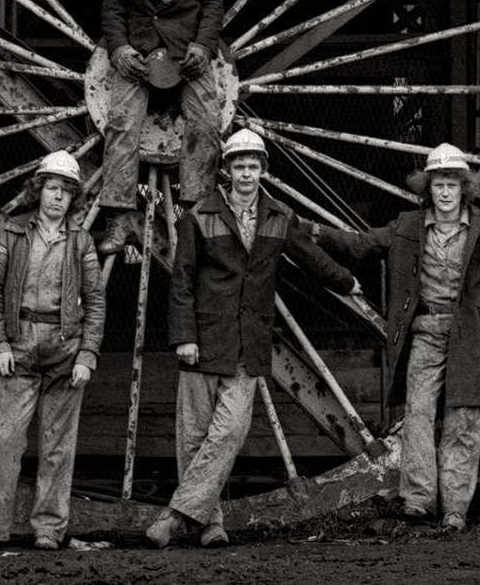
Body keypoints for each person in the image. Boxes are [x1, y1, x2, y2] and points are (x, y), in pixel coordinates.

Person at [146, 129, 362, 548]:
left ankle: (175, 516)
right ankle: (211, 524)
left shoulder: (278, 217)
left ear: (263, 170)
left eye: (253, 166)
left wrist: (347, 281)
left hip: (249, 341)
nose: (246, 173)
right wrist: (183, 336)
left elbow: (312, 260)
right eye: (239, 166)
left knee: (229, 433)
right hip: (203, 339)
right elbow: (182, 281)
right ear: (227, 170)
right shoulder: (199, 216)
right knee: (193, 439)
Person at [309, 143, 480, 532]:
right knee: (418, 417)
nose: (445, 192)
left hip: (472, 338)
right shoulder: (407, 226)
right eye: (438, 184)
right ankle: (419, 499)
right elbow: (362, 244)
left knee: (463, 422)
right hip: (426, 333)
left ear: (465, 189)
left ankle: (455, 510)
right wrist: (315, 232)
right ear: (427, 189)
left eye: (453, 184)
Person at [0, 150, 106, 552]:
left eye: (66, 192)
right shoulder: (11, 233)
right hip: (19, 344)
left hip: (64, 349)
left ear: (73, 199)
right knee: (5, 440)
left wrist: (87, 354)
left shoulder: (80, 240)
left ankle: (49, 529)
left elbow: (95, 300)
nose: (58, 197)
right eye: (52, 188)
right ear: (38, 190)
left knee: (58, 445)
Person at [97, 0, 224, 253]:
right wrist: (119, 50)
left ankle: (196, 212)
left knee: (206, 124)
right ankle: (118, 217)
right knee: (121, 125)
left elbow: (213, 5)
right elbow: (113, 7)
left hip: (187, 53)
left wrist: (203, 47)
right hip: (139, 51)